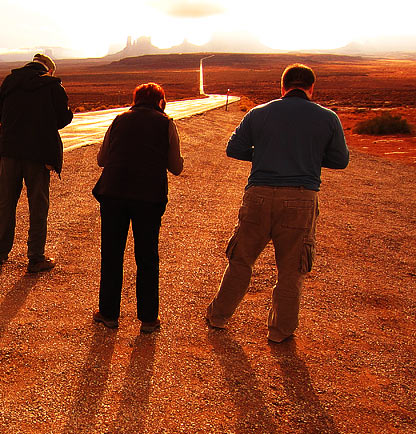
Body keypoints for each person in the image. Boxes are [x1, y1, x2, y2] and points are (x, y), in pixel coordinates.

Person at [205, 63, 349, 342]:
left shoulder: (258, 113)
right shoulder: (328, 117)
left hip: (258, 195)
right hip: (301, 197)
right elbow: (340, 160)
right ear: (311, 88)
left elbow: (233, 149)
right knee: (291, 269)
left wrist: (263, 157)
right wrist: (310, 159)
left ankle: (219, 316)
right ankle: (280, 332)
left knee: (241, 260)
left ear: (282, 87)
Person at [92, 82, 184, 333]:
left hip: (113, 194)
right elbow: (176, 167)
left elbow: (102, 159)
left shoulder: (119, 119)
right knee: (147, 257)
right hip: (148, 198)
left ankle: (109, 314)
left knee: (112, 254)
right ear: (160, 101)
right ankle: (148, 319)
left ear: (136, 99)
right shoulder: (166, 123)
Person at [0, 53, 73, 273]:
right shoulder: (53, 86)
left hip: (9, 152)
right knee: (38, 206)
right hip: (38, 154)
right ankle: (35, 257)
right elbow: (62, 120)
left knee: (6, 202)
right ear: (49, 70)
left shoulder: (9, 81)